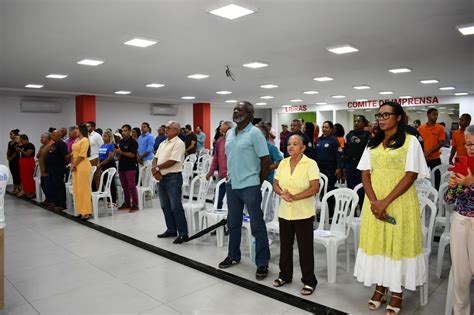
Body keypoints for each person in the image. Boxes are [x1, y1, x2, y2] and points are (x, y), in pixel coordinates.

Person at [354, 101, 429, 314]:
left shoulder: (411, 141)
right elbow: (365, 173)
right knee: (378, 243)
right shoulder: (373, 142)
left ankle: (396, 291)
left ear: (398, 117)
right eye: (379, 115)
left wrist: (385, 202)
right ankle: (380, 286)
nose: (382, 118)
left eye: (387, 114)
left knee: (396, 244)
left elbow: (411, 174)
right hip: (374, 202)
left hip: (399, 201)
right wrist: (374, 201)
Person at [219, 101, 271, 281]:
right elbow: (230, 157)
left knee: (257, 225)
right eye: (234, 109)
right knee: (233, 223)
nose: (235, 112)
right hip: (232, 184)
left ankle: (262, 262)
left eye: (239, 109)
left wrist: (258, 182)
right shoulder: (230, 133)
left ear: (249, 114)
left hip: (250, 185)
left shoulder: (255, 133)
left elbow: (265, 160)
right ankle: (233, 255)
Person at [272, 134, 320, 295]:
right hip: (285, 212)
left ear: (303, 147)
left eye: (295, 144)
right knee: (285, 245)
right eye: (289, 144)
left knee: (305, 248)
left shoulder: (310, 164)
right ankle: (285, 275)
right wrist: (281, 194)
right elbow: (276, 184)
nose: (291, 146)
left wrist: (295, 197)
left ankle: (309, 281)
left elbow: (314, 188)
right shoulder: (283, 163)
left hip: (303, 213)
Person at [444, 124, 474, 315]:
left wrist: (471, 184)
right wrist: (453, 185)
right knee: (461, 278)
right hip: (460, 222)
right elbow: (448, 199)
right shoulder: (463, 165)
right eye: (468, 144)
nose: (471, 148)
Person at [153, 121, 189, 244]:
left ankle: (183, 233)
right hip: (162, 178)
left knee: (176, 207)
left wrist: (157, 168)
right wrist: (155, 170)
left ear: (175, 130)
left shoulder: (179, 143)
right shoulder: (163, 142)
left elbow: (173, 161)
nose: (165, 129)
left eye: (168, 128)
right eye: (165, 127)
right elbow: (155, 158)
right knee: (165, 206)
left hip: (173, 178)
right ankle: (171, 229)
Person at [315, 121, 342, 216]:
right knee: (321, 190)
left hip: (330, 169)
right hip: (319, 169)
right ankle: (323, 211)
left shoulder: (334, 140)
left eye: (326, 127)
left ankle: (330, 212)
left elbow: (338, 155)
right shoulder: (318, 140)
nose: (324, 129)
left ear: (331, 129)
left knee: (329, 190)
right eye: (323, 127)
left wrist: (338, 168)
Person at [343, 115, 371, 209]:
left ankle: (362, 210)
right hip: (350, 165)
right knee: (350, 188)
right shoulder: (349, 134)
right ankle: (352, 210)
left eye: (359, 121)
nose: (356, 123)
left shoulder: (367, 135)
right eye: (355, 121)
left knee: (362, 188)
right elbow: (345, 151)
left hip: (362, 166)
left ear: (363, 123)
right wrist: (343, 166)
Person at [206, 121, 233, 209]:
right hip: (221, 175)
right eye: (220, 131)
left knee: (232, 201)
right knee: (217, 198)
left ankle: (231, 220)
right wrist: (210, 172)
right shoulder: (220, 141)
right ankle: (218, 218)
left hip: (232, 176)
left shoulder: (235, 141)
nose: (222, 133)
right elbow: (215, 158)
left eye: (224, 131)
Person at [418, 108, 446, 189]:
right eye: (434, 114)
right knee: (421, 176)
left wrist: (429, 152)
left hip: (435, 157)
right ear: (428, 115)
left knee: (437, 176)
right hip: (423, 157)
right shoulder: (421, 128)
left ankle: (436, 193)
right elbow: (419, 143)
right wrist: (424, 154)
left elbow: (441, 142)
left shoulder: (440, 128)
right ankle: (422, 192)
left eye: (437, 115)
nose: (436, 116)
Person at [71, 124, 92, 220]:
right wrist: (72, 164)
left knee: (83, 189)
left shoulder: (85, 140)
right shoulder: (76, 140)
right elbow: (73, 154)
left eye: (77, 129)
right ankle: (80, 211)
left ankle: (86, 212)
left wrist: (74, 164)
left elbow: (82, 155)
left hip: (82, 166)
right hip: (75, 165)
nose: (75, 131)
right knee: (77, 189)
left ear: (81, 130)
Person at [116, 124, 139, 212]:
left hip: (130, 167)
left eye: (125, 131)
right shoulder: (121, 141)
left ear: (129, 131)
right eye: (122, 131)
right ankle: (127, 203)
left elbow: (132, 154)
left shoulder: (133, 142)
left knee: (131, 186)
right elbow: (120, 153)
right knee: (124, 186)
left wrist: (121, 152)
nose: (123, 132)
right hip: (122, 166)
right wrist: (117, 154)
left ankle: (135, 204)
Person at [45, 130, 68, 210]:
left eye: (54, 135)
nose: (52, 137)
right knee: (53, 187)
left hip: (58, 170)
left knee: (59, 187)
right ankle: (56, 202)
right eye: (52, 135)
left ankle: (62, 204)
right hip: (51, 170)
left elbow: (65, 156)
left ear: (59, 135)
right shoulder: (53, 144)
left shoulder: (62, 144)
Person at [97, 130, 117, 205]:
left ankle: (113, 201)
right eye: (103, 136)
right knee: (105, 183)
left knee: (110, 183)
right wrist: (99, 163)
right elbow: (99, 155)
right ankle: (108, 200)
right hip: (102, 165)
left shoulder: (111, 146)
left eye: (105, 136)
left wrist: (101, 164)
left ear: (109, 137)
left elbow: (109, 157)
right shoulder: (102, 145)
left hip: (109, 165)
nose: (103, 138)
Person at [37, 132, 53, 205]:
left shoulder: (50, 146)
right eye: (41, 137)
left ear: (47, 139)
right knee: (43, 185)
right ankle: (47, 199)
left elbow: (46, 155)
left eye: (42, 137)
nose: (41, 139)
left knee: (48, 186)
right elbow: (38, 155)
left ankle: (51, 200)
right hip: (42, 170)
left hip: (47, 170)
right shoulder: (42, 147)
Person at [87, 121, 104, 191]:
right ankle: (91, 195)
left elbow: (102, 148)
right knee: (89, 179)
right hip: (87, 159)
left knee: (97, 178)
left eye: (88, 126)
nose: (87, 128)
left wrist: (99, 161)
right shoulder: (86, 135)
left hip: (95, 158)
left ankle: (99, 194)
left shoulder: (97, 136)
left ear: (93, 127)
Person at [6, 129, 21, 194]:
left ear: (15, 135)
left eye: (11, 134)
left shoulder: (17, 142)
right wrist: (7, 157)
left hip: (16, 159)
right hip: (11, 160)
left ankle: (17, 188)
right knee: (13, 173)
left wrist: (11, 157)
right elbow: (8, 150)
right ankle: (15, 187)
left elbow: (16, 152)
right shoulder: (10, 142)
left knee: (17, 173)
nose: (10, 135)